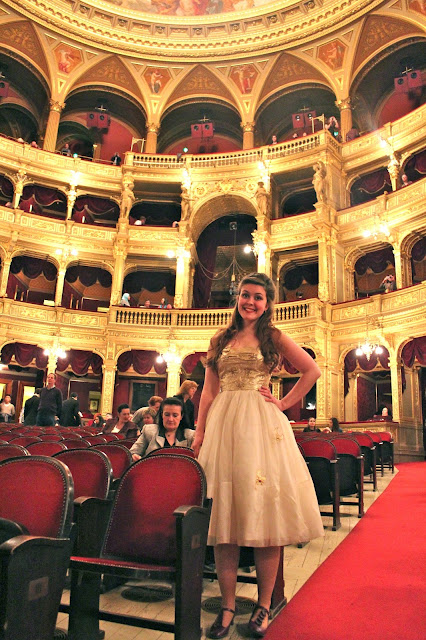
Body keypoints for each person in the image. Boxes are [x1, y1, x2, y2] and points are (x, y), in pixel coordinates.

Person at [192, 272, 323, 639]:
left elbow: (311, 370)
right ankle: (227, 605)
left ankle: (264, 605)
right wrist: (200, 432)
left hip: (262, 427)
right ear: (238, 298)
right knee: (224, 518)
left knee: (266, 517)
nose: (250, 302)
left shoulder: (274, 336)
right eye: (245, 295)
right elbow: (208, 391)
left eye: (258, 297)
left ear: (267, 304)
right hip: (223, 426)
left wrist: (282, 403)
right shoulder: (219, 339)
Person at [130, 397, 194, 461]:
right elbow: (132, 453)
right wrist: (134, 456)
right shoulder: (149, 431)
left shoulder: (190, 436)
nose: (170, 419)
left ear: (181, 416)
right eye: (167, 415)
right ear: (161, 414)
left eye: (175, 415)